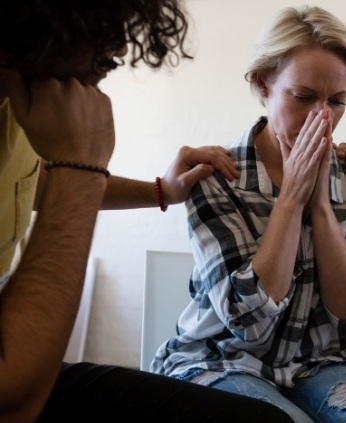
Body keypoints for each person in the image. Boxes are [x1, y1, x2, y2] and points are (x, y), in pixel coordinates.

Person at [0, 1, 301, 421]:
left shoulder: (16, 108)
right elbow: (12, 399)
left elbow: (30, 183)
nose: (120, 49)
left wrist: (160, 190)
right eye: (101, 30)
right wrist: (81, 165)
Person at [150, 5, 346, 423]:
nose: (322, 117)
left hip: (322, 365)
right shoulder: (212, 177)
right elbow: (246, 319)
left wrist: (319, 204)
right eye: (303, 97)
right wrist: (292, 200)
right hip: (218, 361)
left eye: (337, 101)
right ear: (263, 84)